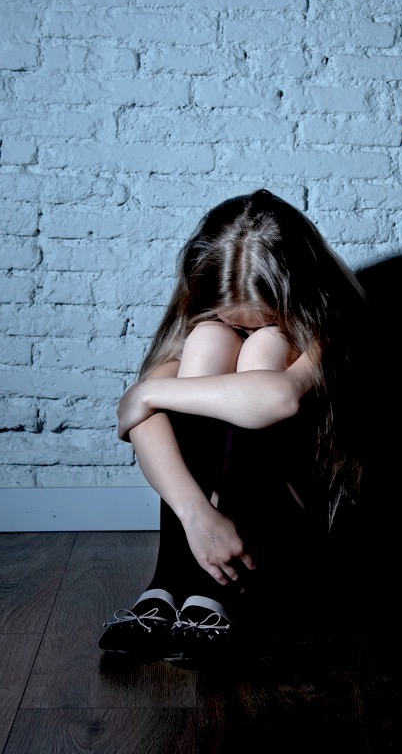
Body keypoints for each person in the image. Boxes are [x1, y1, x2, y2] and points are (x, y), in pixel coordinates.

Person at [99, 188, 367, 666]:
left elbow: (280, 398)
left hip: (298, 512)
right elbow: (142, 424)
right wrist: (196, 515)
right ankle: (171, 582)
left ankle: (214, 590)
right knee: (206, 340)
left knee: (267, 351)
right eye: (237, 322)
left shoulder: (332, 322)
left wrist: (148, 393)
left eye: (261, 320)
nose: (243, 333)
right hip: (212, 519)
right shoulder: (204, 320)